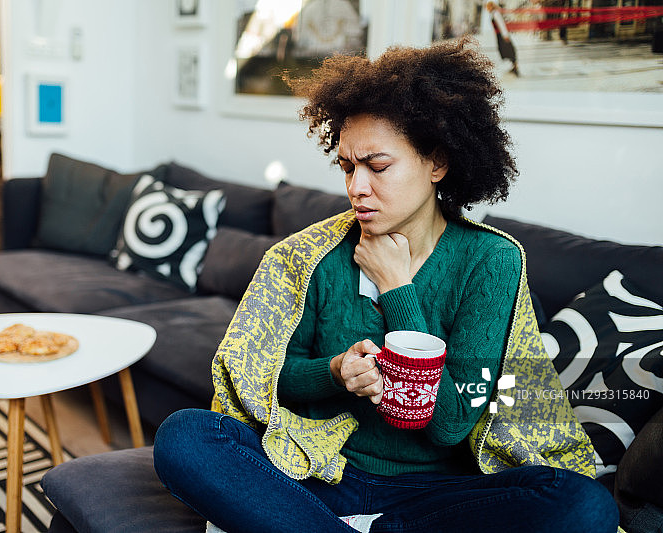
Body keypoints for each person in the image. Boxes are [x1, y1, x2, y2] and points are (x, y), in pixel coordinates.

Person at [153, 37, 618, 533]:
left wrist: (397, 290)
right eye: (347, 167)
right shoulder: (313, 257)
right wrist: (334, 372)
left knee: (583, 504)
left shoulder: (490, 261)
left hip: (436, 493)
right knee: (185, 435)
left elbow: (450, 424)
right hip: (324, 471)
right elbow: (271, 379)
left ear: (436, 163)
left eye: (377, 167)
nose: (356, 187)